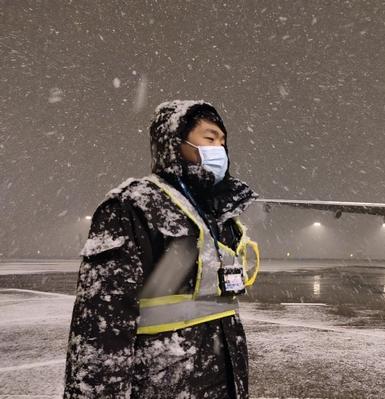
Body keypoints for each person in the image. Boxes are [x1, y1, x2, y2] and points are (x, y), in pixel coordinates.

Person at [64, 100, 260, 398]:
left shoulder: (217, 214)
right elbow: (101, 329)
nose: (219, 149)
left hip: (221, 382)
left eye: (223, 141)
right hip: (163, 382)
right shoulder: (132, 207)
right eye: (209, 139)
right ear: (173, 142)